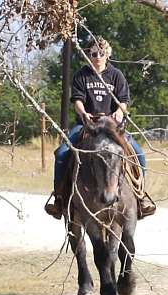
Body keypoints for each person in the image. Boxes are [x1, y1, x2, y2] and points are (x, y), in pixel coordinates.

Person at [45, 36, 156, 220]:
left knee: (140, 155)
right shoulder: (82, 75)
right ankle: (59, 198)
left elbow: (123, 100)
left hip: (112, 128)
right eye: (94, 53)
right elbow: (78, 100)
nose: (97, 57)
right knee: (62, 153)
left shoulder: (116, 75)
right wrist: (83, 113)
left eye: (101, 53)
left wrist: (120, 112)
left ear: (107, 55)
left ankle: (141, 198)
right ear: (88, 55)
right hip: (87, 126)